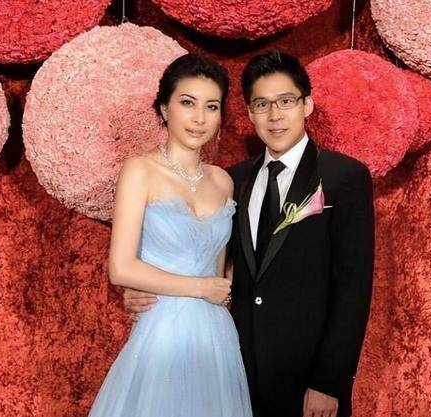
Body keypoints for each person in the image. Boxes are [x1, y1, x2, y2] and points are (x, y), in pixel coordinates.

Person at [126, 51, 374, 417]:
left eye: (286, 101)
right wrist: (148, 288)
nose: (274, 115)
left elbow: (353, 289)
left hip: (307, 381)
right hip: (234, 371)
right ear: (249, 113)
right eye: (262, 104)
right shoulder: (234, 180)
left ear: (306, 105)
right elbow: (215, 263)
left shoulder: (344, 177)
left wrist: (329, 381)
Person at [88, 53, 253, 417]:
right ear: (165, 108)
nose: (199, 118)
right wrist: (202, 288)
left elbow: (219, 270)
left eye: (211, 106)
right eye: (188, 103)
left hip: (216, 337)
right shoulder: (140, 170)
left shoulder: (223, 181)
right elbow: (121, 268)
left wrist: (219, 288)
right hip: (162, 332)